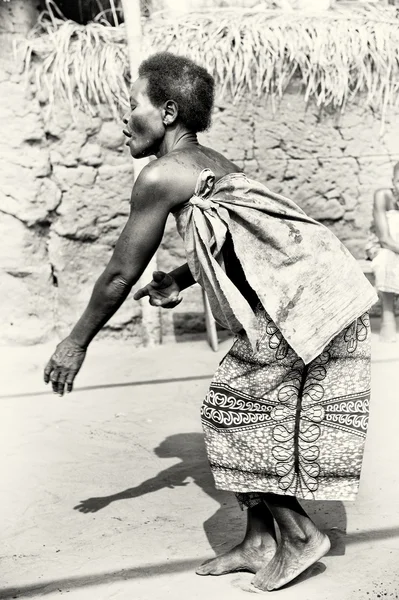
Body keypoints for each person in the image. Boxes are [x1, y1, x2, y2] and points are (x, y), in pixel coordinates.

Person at [44, 52, 377, 591]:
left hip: (296, 308)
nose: (124, 118)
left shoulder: (160, 175)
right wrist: (180, 277)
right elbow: (232, 241)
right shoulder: (215, 163)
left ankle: (296, 535)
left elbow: (118, 274)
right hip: (313, 296)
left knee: (230, 416)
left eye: (135, 105)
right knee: (249, 418)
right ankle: (257, 542)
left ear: (169, 111)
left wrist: (75, 341)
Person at [366, 163, 399, 342]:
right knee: (387, 258)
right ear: (393, 182)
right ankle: (388, 315)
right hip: (382, 246)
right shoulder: (382, 196)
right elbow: (384, 239)